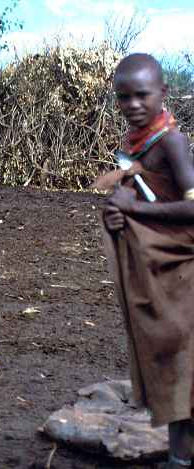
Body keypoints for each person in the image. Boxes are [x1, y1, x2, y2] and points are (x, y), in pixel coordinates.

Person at [102, 53, 194, 469]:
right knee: (173, 360)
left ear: (163, 93)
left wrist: (135, 211)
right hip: (161, 271)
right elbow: (141, 198)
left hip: (183, 271)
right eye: (124, 97)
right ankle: (180, 455)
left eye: (142, 95)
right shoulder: (135, 144)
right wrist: (118, 213)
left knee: (182, 360)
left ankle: (180, 458)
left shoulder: (171, 142)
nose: (133, 104)